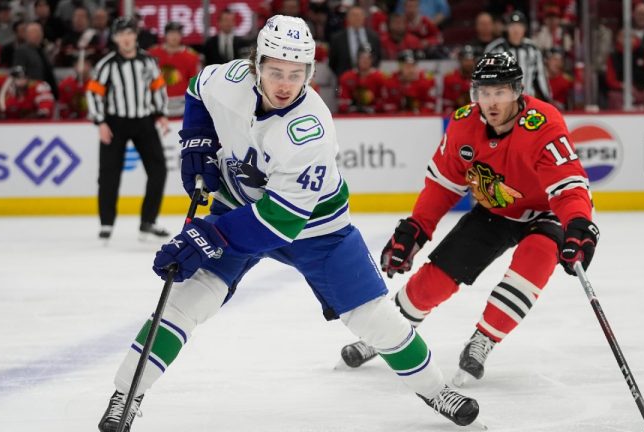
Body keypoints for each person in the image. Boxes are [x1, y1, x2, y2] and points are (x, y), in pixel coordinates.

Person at [96, 15, 480, 432]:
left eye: (296, 74)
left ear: (310, 73)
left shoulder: (310, 131)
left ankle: (435, 390)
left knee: (373, 317)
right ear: (256, 64)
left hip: (316, 229)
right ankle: (126, 395)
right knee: (186, 301)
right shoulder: (230, 80)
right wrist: (197, 141)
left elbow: (278, 221)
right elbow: (197, 90)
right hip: (239, 206)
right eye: (276, 71)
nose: (285, 84)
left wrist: (209, 236)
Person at [339, 51, 599, 388]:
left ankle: (483, 340)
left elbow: (568, 185)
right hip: (495, 210)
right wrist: (417, 228)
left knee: (534, 260)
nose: (491, 102)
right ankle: (387, 335)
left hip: (546, 213)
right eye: (484, 92)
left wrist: (578, 223)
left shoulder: (543, 123)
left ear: (517, 91)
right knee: (437, 278)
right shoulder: (464, 124)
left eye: (500, 92)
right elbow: (442, 186)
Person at [86, 17, 170, 241]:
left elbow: (158, 87)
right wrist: (100, 122)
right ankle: (106, 223)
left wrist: (161, 114)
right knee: (109, 174)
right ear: (115, 38)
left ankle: (148, 221)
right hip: (115, 123)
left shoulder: (148, 62)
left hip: (144, 121)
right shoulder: (107, 64)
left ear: (135, 36)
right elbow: (93, 93)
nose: (126, 38)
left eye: (129, 33)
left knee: (158, 170)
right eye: (121, 34)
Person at [485, 10, 552, 103]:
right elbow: (486, 77)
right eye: (512, 26)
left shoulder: (533, 49)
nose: (516, 30)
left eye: (519, 26)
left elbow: (541, 78)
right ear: (507, 28)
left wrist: (548, 99)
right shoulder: (494, 49)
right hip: (501, 103)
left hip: (527, 101)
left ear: (525, 28)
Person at [148, 21, 201, 116]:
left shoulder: (191, 57)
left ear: (181, 36)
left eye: (177, 33)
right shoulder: (152, 54)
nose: (174, 37)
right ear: (165, 35)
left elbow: (195, 84)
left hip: (182, 105)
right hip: (157, 103)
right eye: (171, 33)